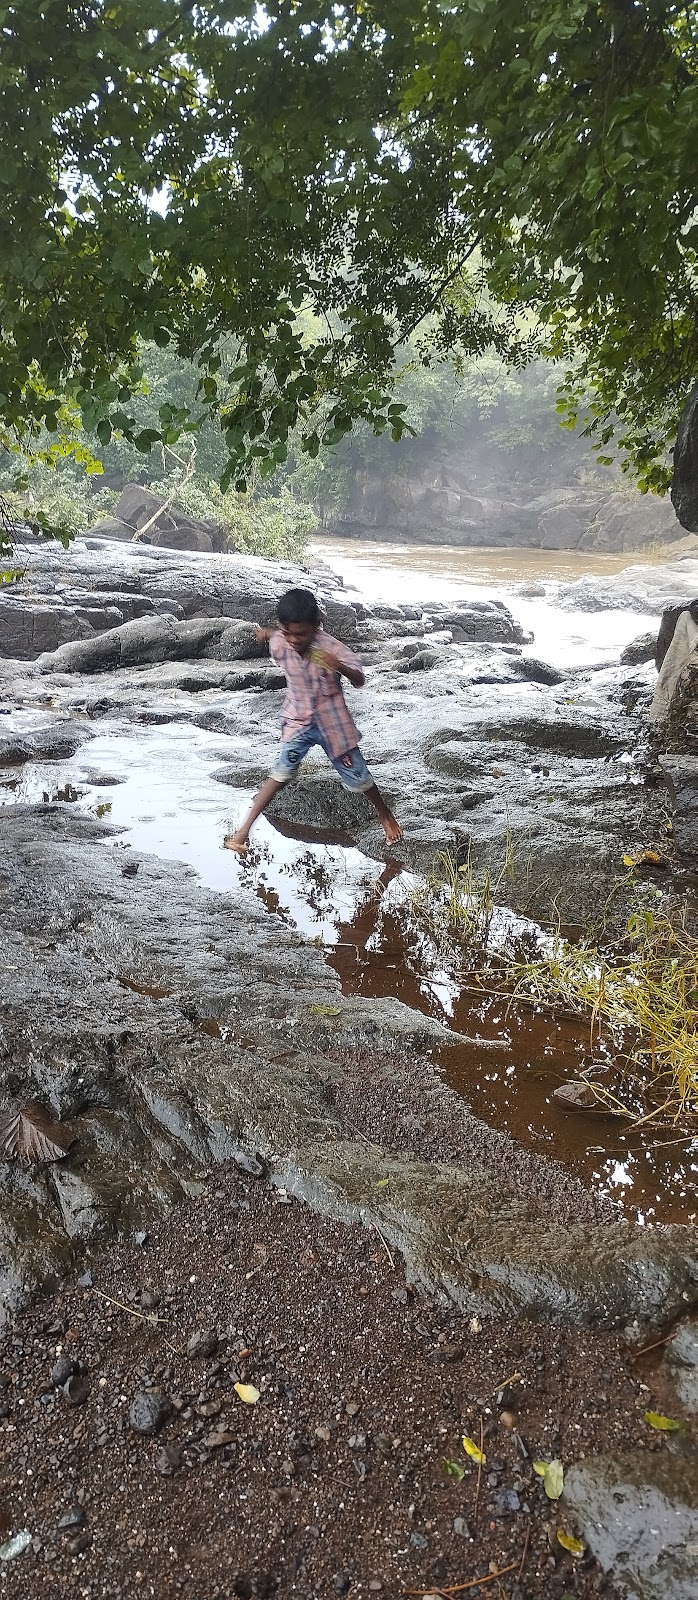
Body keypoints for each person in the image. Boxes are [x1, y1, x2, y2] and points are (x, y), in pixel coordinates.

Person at [224, 587, 403, 855]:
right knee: (281, 773)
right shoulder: (281, 643)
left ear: (316, 625)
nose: (294, 640)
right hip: (298, 721)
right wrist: (266, 633)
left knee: (360, 777)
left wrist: (339, 666)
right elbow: (275, 635)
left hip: (334, 725)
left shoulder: (331, 648)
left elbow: (359, 679)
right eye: (288, 633)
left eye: (301, 634)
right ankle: (242, 833)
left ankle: (385, 814)